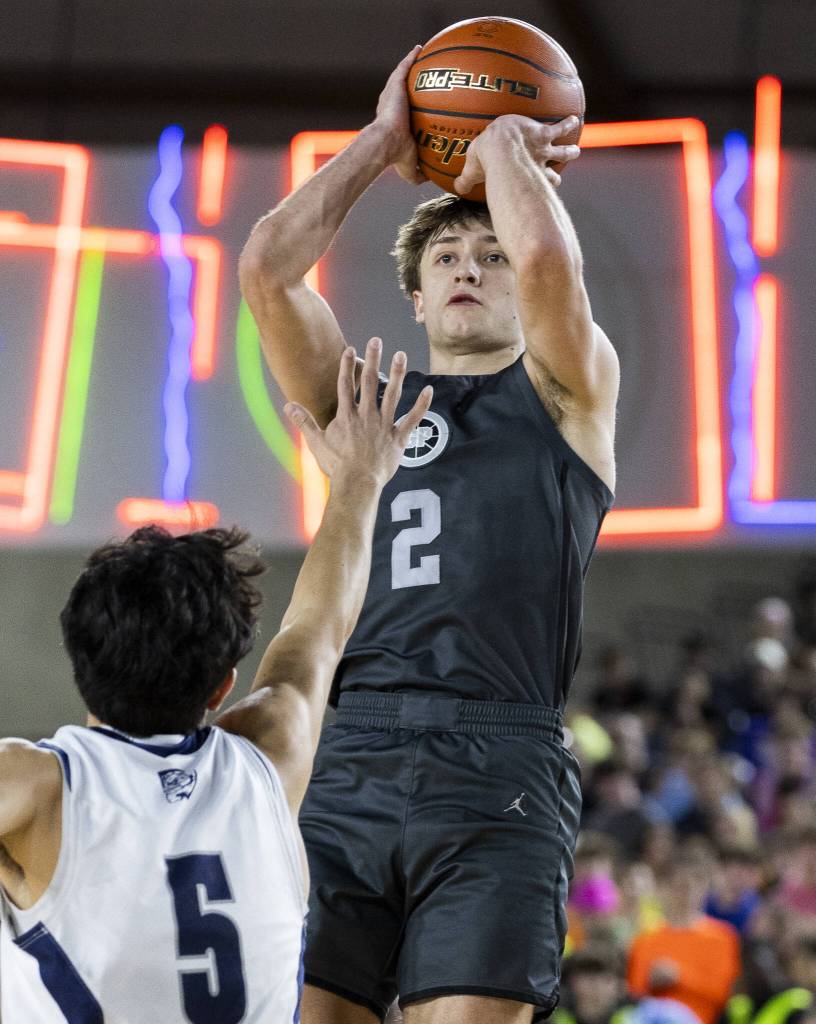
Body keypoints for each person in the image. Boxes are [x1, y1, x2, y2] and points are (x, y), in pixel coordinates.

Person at [240, 43, 619, 1024]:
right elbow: (270, 270)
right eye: (447, 256)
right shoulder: (363, 400)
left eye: (488, 255)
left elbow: (545, 258)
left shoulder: (567, 392)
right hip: (346, 751)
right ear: (414, 297)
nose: (470, 266)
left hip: (498, 762)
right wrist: (381, 143)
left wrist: (506, 155)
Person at [0, 340, 431, 1022]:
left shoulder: (30, 788)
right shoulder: (272, 753)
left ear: (78, 657)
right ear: (222, 685)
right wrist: (359, 482)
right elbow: (318, 630)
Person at [627, 852, 741, 1024]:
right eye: (680, 885)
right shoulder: (646, 938)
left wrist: (679, 977)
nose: (688, 893)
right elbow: (634, 991)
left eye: (695, 884)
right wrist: (652, 981)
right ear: (665, 888)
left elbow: (723, 993)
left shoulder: (722, 937)